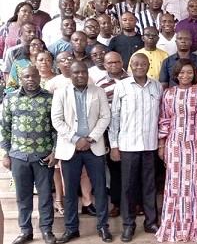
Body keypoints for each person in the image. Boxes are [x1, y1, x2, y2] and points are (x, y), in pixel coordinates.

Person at [50, 61, 112, 243]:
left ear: (87, 73)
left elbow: (105, 116)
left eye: (83, 72)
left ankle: (103, 227)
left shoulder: (98, 91)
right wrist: (76, 139)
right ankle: (71, 228)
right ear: (70, 73)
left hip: (94, 147)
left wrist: (90, 138)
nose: (80, 76)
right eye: (76, 72)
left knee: (100, 189)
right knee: (70, 191)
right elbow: (57, 120)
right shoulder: (61, 93)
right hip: (70, 148)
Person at [156, 59, 197, 242]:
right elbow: (164, 121)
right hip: (174, 145)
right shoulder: (168, 94)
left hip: (196, 145)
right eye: (182, 72)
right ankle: (176, 225)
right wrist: (161, 145)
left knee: (195, 183)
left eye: (189, 72)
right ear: (176, 74)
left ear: (195, 74)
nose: (185, 75)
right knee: (176, 184)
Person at [1, 66, 58, 244]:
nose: (30, 79)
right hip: (18, 156)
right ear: (20, 78)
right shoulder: (10, 99)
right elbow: (5, 128)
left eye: (33, 75)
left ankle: (47, 230)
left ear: (39, 76)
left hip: (43, 155)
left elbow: (56, 128)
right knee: (22, 196)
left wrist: (55, 152)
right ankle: (25, 231)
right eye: (26, 76)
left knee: (45, 195)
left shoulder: (50, 99)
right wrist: (5, 154)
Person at [109, 53, 162, 241]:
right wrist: (114, 145)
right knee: (128, 187)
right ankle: (128, 224)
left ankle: (151, 222)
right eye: (136, 64)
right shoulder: (122, 87)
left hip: (150, 145)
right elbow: (114, 118)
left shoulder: (156, 87)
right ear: (130, 65)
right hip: (128, 145)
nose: (140, 66)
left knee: (149, 185)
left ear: (149, 65)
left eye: (143, 63)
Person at [96, 52, 130, 218]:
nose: (113, 65)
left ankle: (135, 202)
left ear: (122, 62)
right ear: (104, 64)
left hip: (131, 130)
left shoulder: (131, 78)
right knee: (115, 169)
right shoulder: (101, 84)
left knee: (132, 169)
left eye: (116, 62)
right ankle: (116, 203)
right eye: (109, 63)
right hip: (111, 132)